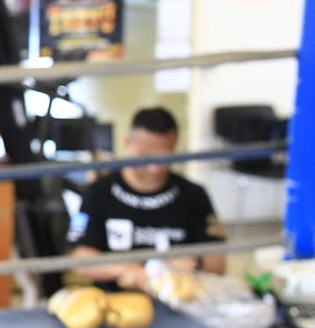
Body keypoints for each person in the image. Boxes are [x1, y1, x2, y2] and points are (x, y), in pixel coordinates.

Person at [68, 107, 226, 292]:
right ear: (128, 142)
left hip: (178, 301)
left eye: (165, 157)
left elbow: (219, 263)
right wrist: (127, 270)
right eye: (146, 156)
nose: (155, 168)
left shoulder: (194, 195)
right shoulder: (98, 192)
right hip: (116, 301)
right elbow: (80, 258)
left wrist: (195, 262)